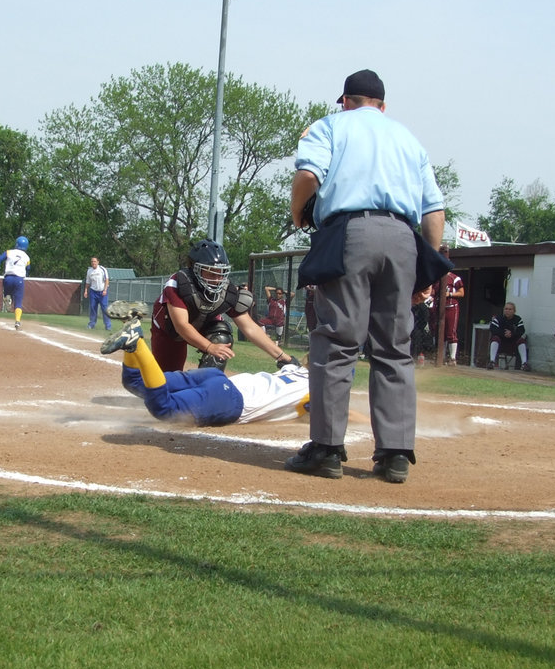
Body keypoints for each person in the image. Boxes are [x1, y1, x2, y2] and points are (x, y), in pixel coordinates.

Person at [285, 68, 445, 483]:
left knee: (337, 341)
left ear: (345, 101)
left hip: (349, 233)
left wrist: (297, 210)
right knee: (395, 348)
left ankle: (326, 449)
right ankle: (394, 454)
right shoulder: (409, 139)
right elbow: (434, 213)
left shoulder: (330, 126)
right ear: (382, 106)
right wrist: (423, 266)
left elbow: (307, 176)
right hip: (402, 239)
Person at [100, 318, 310, 426]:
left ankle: (131, 337)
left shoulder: (295, 369)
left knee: (136, 382)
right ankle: (137, 344)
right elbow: (324, 413)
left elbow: (290, 362)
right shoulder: (317, 389)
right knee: (164, 408)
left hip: (217, 378)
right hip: (231, 400)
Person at [150, 239, 298, 373]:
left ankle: (205, 386)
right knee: (167, 382)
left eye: (221, 273)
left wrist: (282, 357)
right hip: (169, 331)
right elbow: (181, 326)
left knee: (221, 337)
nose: (218, 279)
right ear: (195, 269)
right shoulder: (178, 284)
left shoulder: (226, 290)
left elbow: (249, 327)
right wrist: (209, 347)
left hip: (201, 324)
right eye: (212, 273)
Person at [0, 236, 30, 329]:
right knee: (19, 302)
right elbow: (28, 269)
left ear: (17, 244)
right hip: (19, 279)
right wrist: (26, 274)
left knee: (7, 293)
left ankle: (7, 298)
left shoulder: (9, 252)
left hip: (8, 278)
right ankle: (17, 321)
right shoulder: (27, 257)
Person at [433, 251, 464, 364]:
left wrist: (449, 294)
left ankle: (452, 358)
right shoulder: (435, 278)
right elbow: (432, 292)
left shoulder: (454, 278)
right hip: (438, 308)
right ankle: (441, 357)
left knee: (451, 332)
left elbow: (461, 293)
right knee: (439, 332)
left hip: (451, 307)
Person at [487, 302, 530, 371]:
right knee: (495, 338)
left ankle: (524, 364)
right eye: (506, 309)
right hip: (500, 344)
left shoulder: (518, 319)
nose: (507, 311)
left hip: (513, 345)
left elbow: (521, 330)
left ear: (514, 311)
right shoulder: (498, 319)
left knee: (521, 340)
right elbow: (493, 329)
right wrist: (504, 333)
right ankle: (492, 362)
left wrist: (511, 334)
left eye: (510, 309)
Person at [83, 256, 112, 330]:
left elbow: (106, 280)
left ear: (98, 262)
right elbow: (88, 282)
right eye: (92, 261)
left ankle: (108, 326)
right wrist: (86, 291)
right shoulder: (89, 271)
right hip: (93, 292)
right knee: (93, 308)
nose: (93, 263)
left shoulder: (102, 269)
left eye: (94, 261)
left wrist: (105, 290)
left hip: (102, 292)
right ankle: (91, 324)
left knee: (104, 309)